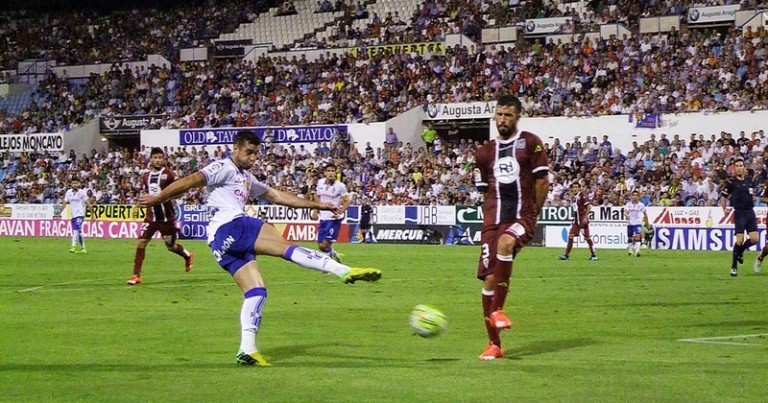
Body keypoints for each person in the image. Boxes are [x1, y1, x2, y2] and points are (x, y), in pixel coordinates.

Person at [138, 130, 381, 366]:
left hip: (218, 243)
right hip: (232, 225)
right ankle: (342, 270)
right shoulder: (223, 167)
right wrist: (158, 198)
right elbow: (191, 181)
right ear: (236, 149)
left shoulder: (246, 177)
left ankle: (248, 349)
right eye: (249, 152)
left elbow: (276, 196)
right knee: (285, 247)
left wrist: (318, 206)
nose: (253, 158)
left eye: (257, 154)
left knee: (256, 292)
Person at [473, 94, 549, 360]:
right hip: (492, 221)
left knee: (506, 243)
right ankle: (494, 344)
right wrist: (491, 217)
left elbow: (542, 182)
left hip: (522, 216)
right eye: (499, 114)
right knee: (490, 279)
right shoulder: (484, 153)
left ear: (517, 116)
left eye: (508, 115)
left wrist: (532, 214)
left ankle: (499, 310)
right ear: (494, 116)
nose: (503, 119)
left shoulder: (530, 143)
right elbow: (485, 192)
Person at [127, 147, 195, 286]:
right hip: (151, 217)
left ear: (163, 160)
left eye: (160, 158)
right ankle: (136, 275)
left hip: (167, 218)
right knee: (141, 242)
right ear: (151, 159)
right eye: (155, 157)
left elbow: (181, 190)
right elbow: (145, 194)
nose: (158, 160)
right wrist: (137, 206)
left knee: (170, 246)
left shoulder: (169, 174)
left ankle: (187, 255)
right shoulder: (145, 175)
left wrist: (168, 196)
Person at [720, 157, 758, 277]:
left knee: (754, 239)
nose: (739, 168)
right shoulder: (731, 183)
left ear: (744, 168)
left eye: (741, 166)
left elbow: (752, 195)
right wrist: (724, 209)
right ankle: (734, 266)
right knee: (740, 240)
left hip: (750, 212)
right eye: (737, 166)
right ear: (734, 169)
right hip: (739, 213)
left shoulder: (749, 181)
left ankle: (740, 252)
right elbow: (723, 197)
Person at [313, 163, 350, 262]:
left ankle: (328, 266)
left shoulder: (340, 186)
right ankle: (334, 255)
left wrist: (342, 210)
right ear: (325, 172)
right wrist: (315, 210)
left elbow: (347, 200)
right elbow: (317, 196)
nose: (331, 173)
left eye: (333, 171)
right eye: (328, 171)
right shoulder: (320, 182)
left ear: (335, 173)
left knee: (326, 244)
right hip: (323, 218)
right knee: (321, 246)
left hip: (334, 219)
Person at [558, 182, 597, 261]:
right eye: (573, 187)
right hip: (576, 220)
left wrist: (586, 217)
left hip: (582, 219)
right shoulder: (573, 197)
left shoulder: (582, 196)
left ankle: (593, 255)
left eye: (576, 187)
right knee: (570, 236)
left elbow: (589, 206)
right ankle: (566, 255)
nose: (575, 189)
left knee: (587, 238)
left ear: (579, 188)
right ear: (572, 189)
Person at [58, 178, 95, 253]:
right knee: (79, 231)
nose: (75, 185)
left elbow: (88, 204)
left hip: (80, 214)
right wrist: (59, 212)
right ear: (71, 184)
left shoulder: (82, 193)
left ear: (79, 184)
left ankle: (73, 246)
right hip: (73, 215)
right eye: (73, 183)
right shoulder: (68, 192)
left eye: (76, 183)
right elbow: (65, 203)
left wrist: (92, 215)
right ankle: (83, 248)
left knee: (75, 229)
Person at [625, 190, 649, 257]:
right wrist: (626, 215)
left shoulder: (641, 205)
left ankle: (637, 251)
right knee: (629, 237)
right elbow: (625, 211)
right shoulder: (628, 204)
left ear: (638, 197)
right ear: (631, 196)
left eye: (636, 195)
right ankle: (630, 251)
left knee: (638, 236)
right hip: (630, 223)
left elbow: (645, 214)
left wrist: (647, 223)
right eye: (633, 195)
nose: (635, 197)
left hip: (637, 223)